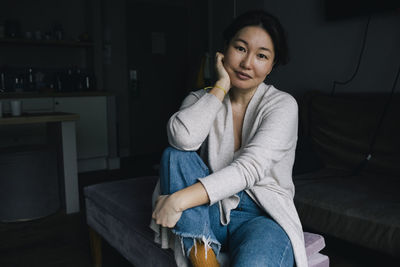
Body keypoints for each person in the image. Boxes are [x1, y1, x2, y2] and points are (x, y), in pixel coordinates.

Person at [150, 10, 308, 267]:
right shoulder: (201, 99)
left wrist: (177, 200)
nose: (247, 63)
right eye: (240, 48)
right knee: (175, 155)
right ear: (224, 50)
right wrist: (220, 87)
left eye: (261, 56)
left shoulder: (282, 105)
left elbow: (250, 168)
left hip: (261, 217)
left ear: (271, 65)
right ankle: (205, 261)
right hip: (207, 212)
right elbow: (181, 140)